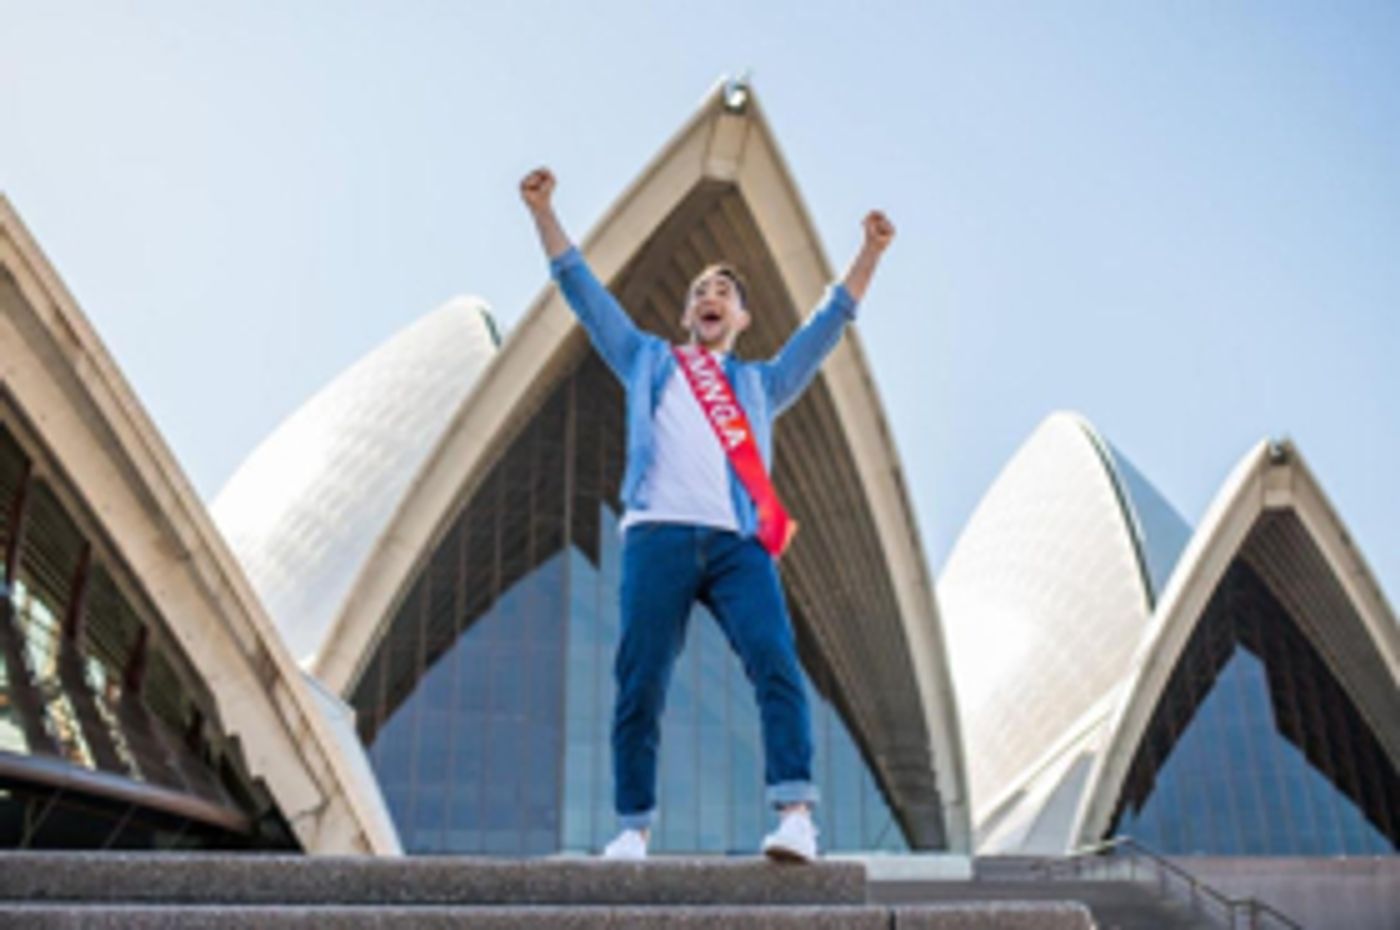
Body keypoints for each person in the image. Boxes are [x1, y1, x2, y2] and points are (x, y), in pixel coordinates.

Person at [520, 167, 894, 862]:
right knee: (640, 683)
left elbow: (826, 326)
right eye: (700, 293)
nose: (709, 297)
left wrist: (869, 253)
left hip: (736, 545)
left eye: (723, 292)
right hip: (655, 536)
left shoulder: (760, 383)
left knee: (775, 660)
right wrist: (543, 211)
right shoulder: (647, 360)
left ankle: (796, 818)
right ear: (688, 316)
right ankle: (632, 829)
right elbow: (583, 292)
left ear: (742, 318)